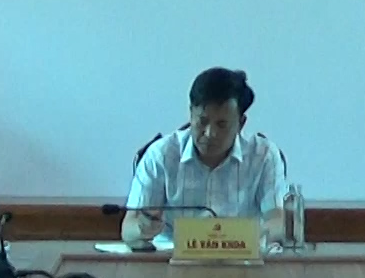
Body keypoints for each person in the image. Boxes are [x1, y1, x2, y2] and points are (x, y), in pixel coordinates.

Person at [122, 68, 287, 248]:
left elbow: (278, 221)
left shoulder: (263, 155)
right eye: (202, 121)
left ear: (241, 123)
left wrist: (244, 236)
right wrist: (142, 227)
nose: (210, 133)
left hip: (241, 257)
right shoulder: (161, 155)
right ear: (190, 113)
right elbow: (128, 227)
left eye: (221, 124)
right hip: (172, 257)